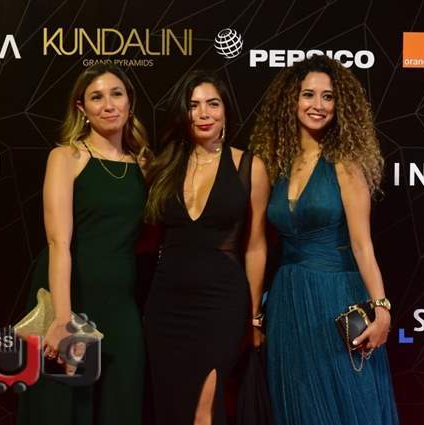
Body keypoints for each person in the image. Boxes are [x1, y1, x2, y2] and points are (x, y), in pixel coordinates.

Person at [250, 55, 399, 425]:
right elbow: (258, 244)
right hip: (287, 301)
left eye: (328, 97)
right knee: (297, 407)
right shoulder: (277, 164)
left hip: (336, 298)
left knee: (349, 403)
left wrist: (381, 308)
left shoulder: (345, 164)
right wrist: (255, 316)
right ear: (292, 100)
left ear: (339, 105)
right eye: (308, 95)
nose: (318, 105)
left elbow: (363, 244)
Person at [17, 63, 151, 425]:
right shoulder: (67, 157)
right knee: (62, 410)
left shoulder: (144, 163)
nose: (108, 105)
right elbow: (58, 242)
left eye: (116, 94)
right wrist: (63, 319)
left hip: (121, 302)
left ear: (129, 101)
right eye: (96, 97)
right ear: (81, 108)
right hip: (71, 295)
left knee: (121, 404)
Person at [144, 70, 270, 425]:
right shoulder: (164, 166)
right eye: (193, 105)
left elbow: (256, 247)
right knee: (171, 410)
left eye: (212, 104)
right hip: (166, 306)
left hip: (221, 305)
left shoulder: (249, 166)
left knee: (205, 411)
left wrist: (254, 317)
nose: (203, 113)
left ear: (226, 111)